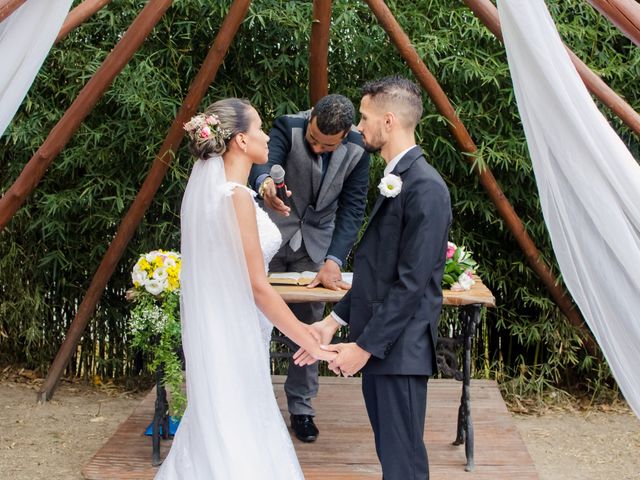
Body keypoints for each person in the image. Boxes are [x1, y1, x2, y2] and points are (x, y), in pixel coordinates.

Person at [155, 98, 335, 479]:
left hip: (225, 326)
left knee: (225, 420)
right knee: (239, 425)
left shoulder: (218, 194)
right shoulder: (234, 197)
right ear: (239, 140)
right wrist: (305, 336)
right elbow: (257, 286)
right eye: (258, 128)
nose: (267, 135)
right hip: (236, 329)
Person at [296, 76, 452, 479]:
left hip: (398, 352)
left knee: (404, 467)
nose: (356, 127)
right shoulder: (398, 181)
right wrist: (333, 322)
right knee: (394, 462)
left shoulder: (426, 188)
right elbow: (376, 274)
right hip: (386, 350)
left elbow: (411, 285)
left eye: (363, 118)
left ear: (388, 121)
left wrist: (363, 348)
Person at [248, 94, 370, 442]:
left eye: (326, 145)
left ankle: (301, 409)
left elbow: (353, 208)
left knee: (310, 326)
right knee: (253, 316)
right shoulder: (289, 124)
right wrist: (264, 185)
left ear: (345, 136)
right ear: (311, 116)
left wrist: (334, 259)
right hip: (272, 235)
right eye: (313, 138)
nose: (316, 147)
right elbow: (263, 163)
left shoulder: (359, 150)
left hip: (317, 245)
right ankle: (250, 403)